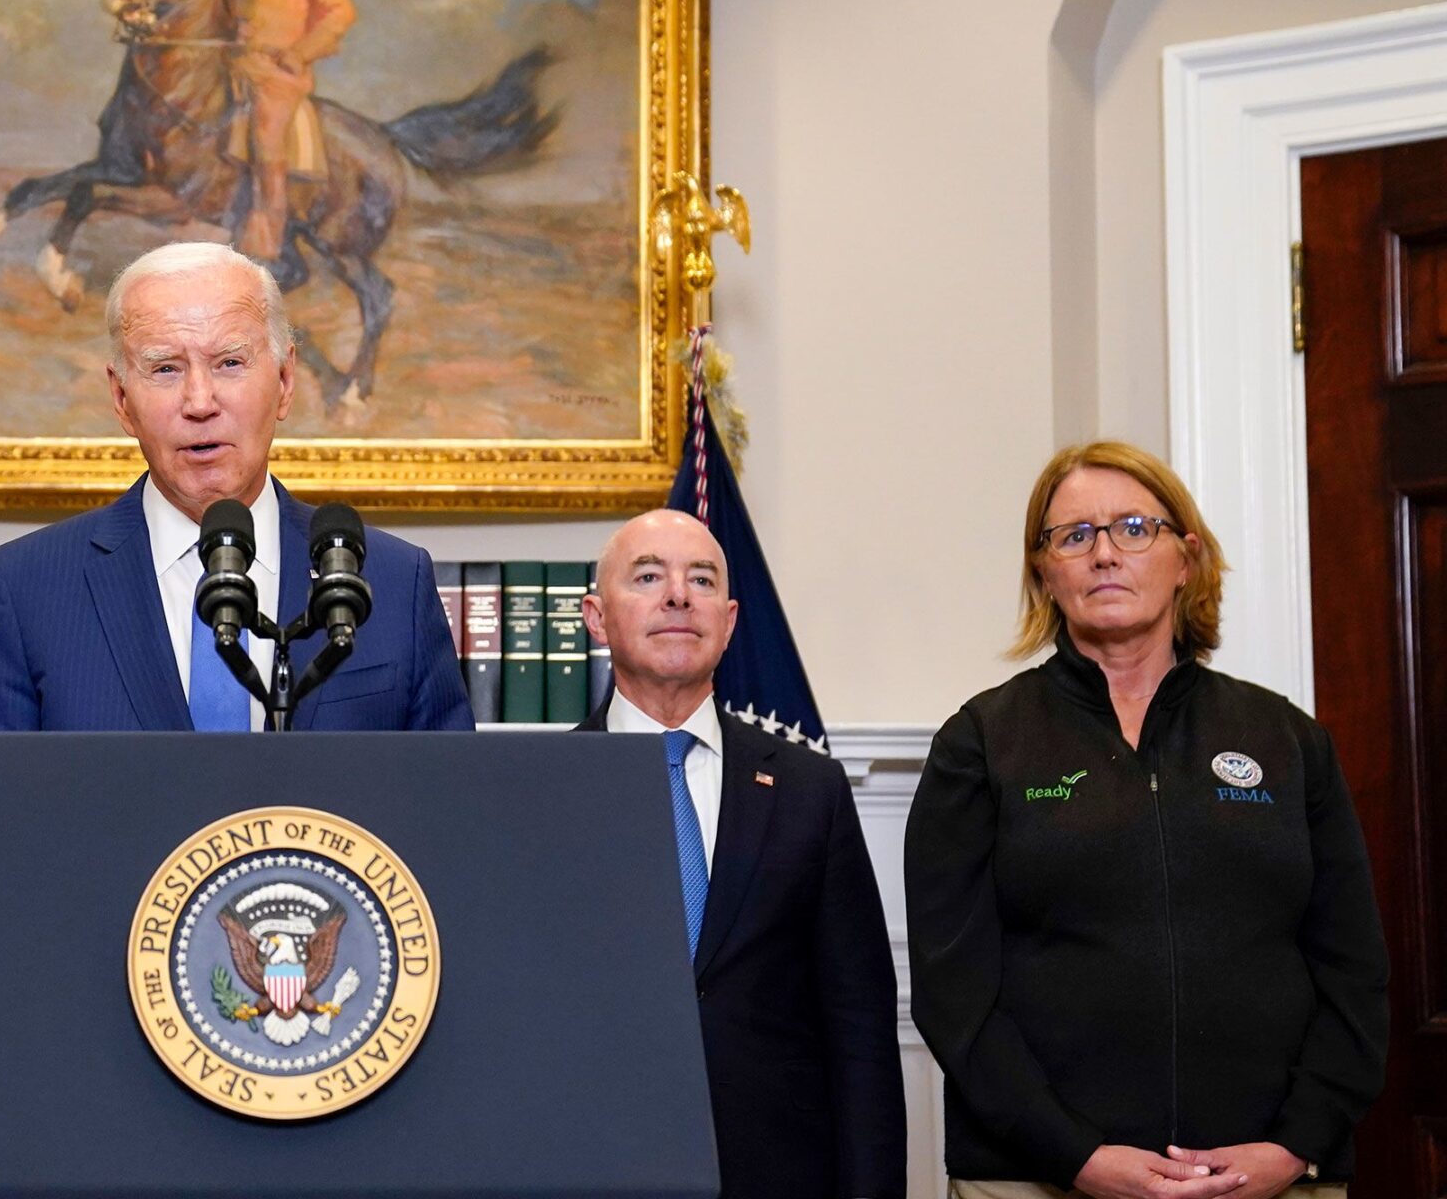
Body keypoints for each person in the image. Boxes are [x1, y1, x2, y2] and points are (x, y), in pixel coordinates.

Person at [907, 441, 1387, 1199]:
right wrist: (1073, 1155)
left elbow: (1353, 970)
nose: (1104, 553)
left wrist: (1297, 1145)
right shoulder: (982, 742)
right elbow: (953, 992)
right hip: (1037, 1177)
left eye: (1134, 528)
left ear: (1186, 558)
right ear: (1044, 572)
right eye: (1074, 536)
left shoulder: (1286, 740)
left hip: (1269, 1175)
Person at [0, 241, 468, 734]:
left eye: (230, 363)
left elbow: (447, 789)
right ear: (122, 399)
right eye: (165, 369)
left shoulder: (394, 579)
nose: (200, 402)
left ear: (285, 382)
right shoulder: (24, 587)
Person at [577, 508, 904, 1199]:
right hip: (596, 1164)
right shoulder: (545, 789)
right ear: (597, 618)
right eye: (648, 577)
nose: (678, 596)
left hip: (779, 1174)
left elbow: (860, 1028)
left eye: (701, 580)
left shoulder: (810, 790)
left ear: (728, 623)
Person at [231, 0, 356, 262]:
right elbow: (235, 16)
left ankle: (268, 237)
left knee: (266, 136)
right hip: (240, 64)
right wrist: (237, 29)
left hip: (280, 74)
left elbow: (340, 14)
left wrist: (301, 53)